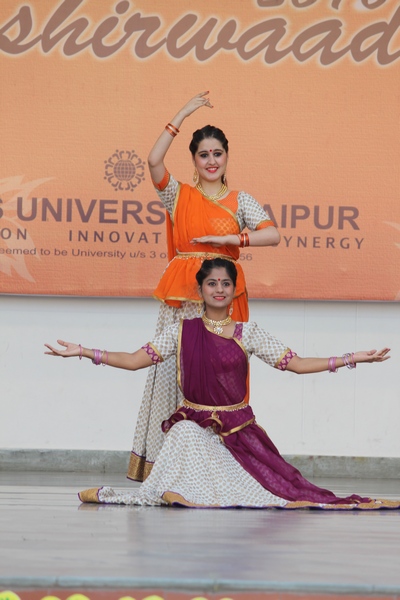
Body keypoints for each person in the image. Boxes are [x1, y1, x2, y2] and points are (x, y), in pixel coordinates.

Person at [45, 259, 399, 510]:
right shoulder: (181, 331)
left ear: (235, 290)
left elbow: (297, 364)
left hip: (238, 435)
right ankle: (181, 492)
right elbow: (135, 360)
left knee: (278, 490)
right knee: (182, 432)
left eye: (225, 284)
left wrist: (351, 358)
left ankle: (193, 493)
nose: (219, 289)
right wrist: (84, 352)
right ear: (200, 289)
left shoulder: (249, 333)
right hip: (195, 429)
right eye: (212, 283)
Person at [130, 92, 280, 482]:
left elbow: (272, 234)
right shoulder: (178, 195)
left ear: (226, 156)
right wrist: (182, 113)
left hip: (222, 297)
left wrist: (233, 240)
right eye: (203, 155)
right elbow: (153, 161)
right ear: (194, 160)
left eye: (217, 153)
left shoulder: (240, 200)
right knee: (174, 372)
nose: (211, 161)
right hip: (183, 298)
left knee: (217, 379)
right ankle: (170, 466)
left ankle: (215, 468)